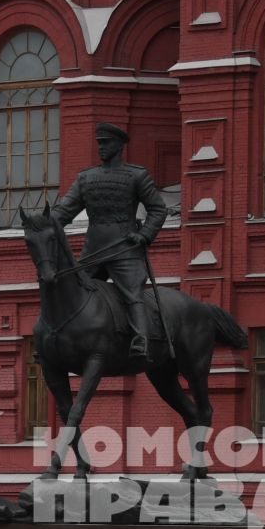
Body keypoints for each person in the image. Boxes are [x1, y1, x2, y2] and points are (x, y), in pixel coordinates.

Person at [49, 122, 170, 367]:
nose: (101, 148)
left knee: (131, 293)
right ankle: (53, 337)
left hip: (125, 248)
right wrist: (44, 224)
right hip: (94, 249)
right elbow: (65, 211)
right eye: (99, 143)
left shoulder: (137, 175)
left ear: (120, 145)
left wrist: (145, 234)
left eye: (106, 143)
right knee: (67, 288)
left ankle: (140, 340)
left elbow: (158, 209)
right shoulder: (86, 178)